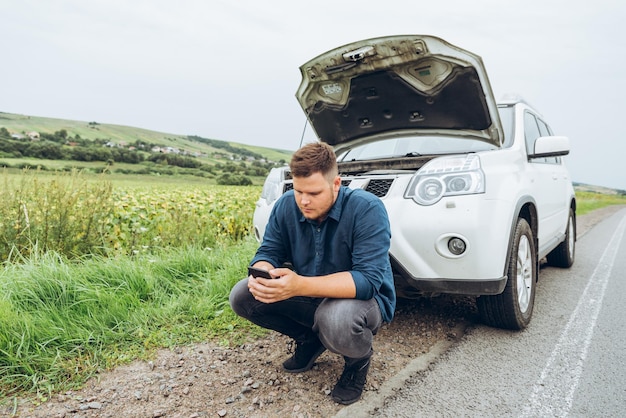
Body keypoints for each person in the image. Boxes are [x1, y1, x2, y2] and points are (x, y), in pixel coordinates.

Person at [229, 141, 396, 405]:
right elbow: (269, 251)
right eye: (298, 191)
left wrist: (298, 286)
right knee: (242, 295)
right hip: (310, 294)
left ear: (336, 184)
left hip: (362, 303)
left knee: (337, 318)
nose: (304, 201)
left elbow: (367, 281)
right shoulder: (286, 205)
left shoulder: (367, 209)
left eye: (315, 193)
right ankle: (309, 340)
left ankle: (357, 361)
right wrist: (263, 271)